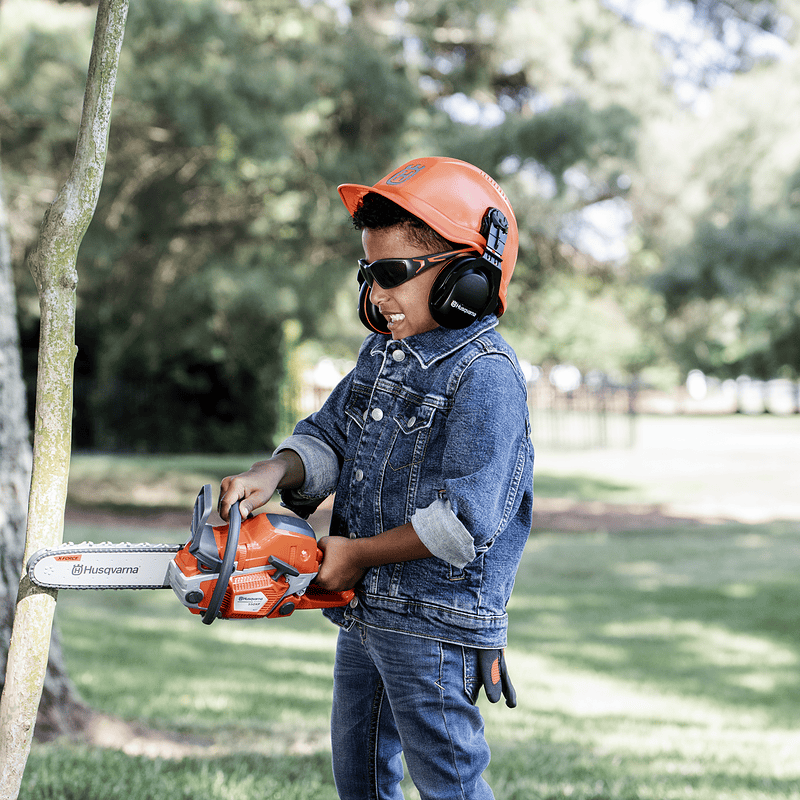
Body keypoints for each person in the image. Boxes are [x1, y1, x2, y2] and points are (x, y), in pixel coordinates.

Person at [219, 156, 534, 800]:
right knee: (358, 774)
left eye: (392, 274)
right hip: (365, 610)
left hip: (436, 622)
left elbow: (464, 523)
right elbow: (330, 434)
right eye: (369, 274)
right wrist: (274, 471)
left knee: (448, 781)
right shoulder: (381, 357)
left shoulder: (486, 377)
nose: (377, 294)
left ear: (468, 278)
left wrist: (356, 554)